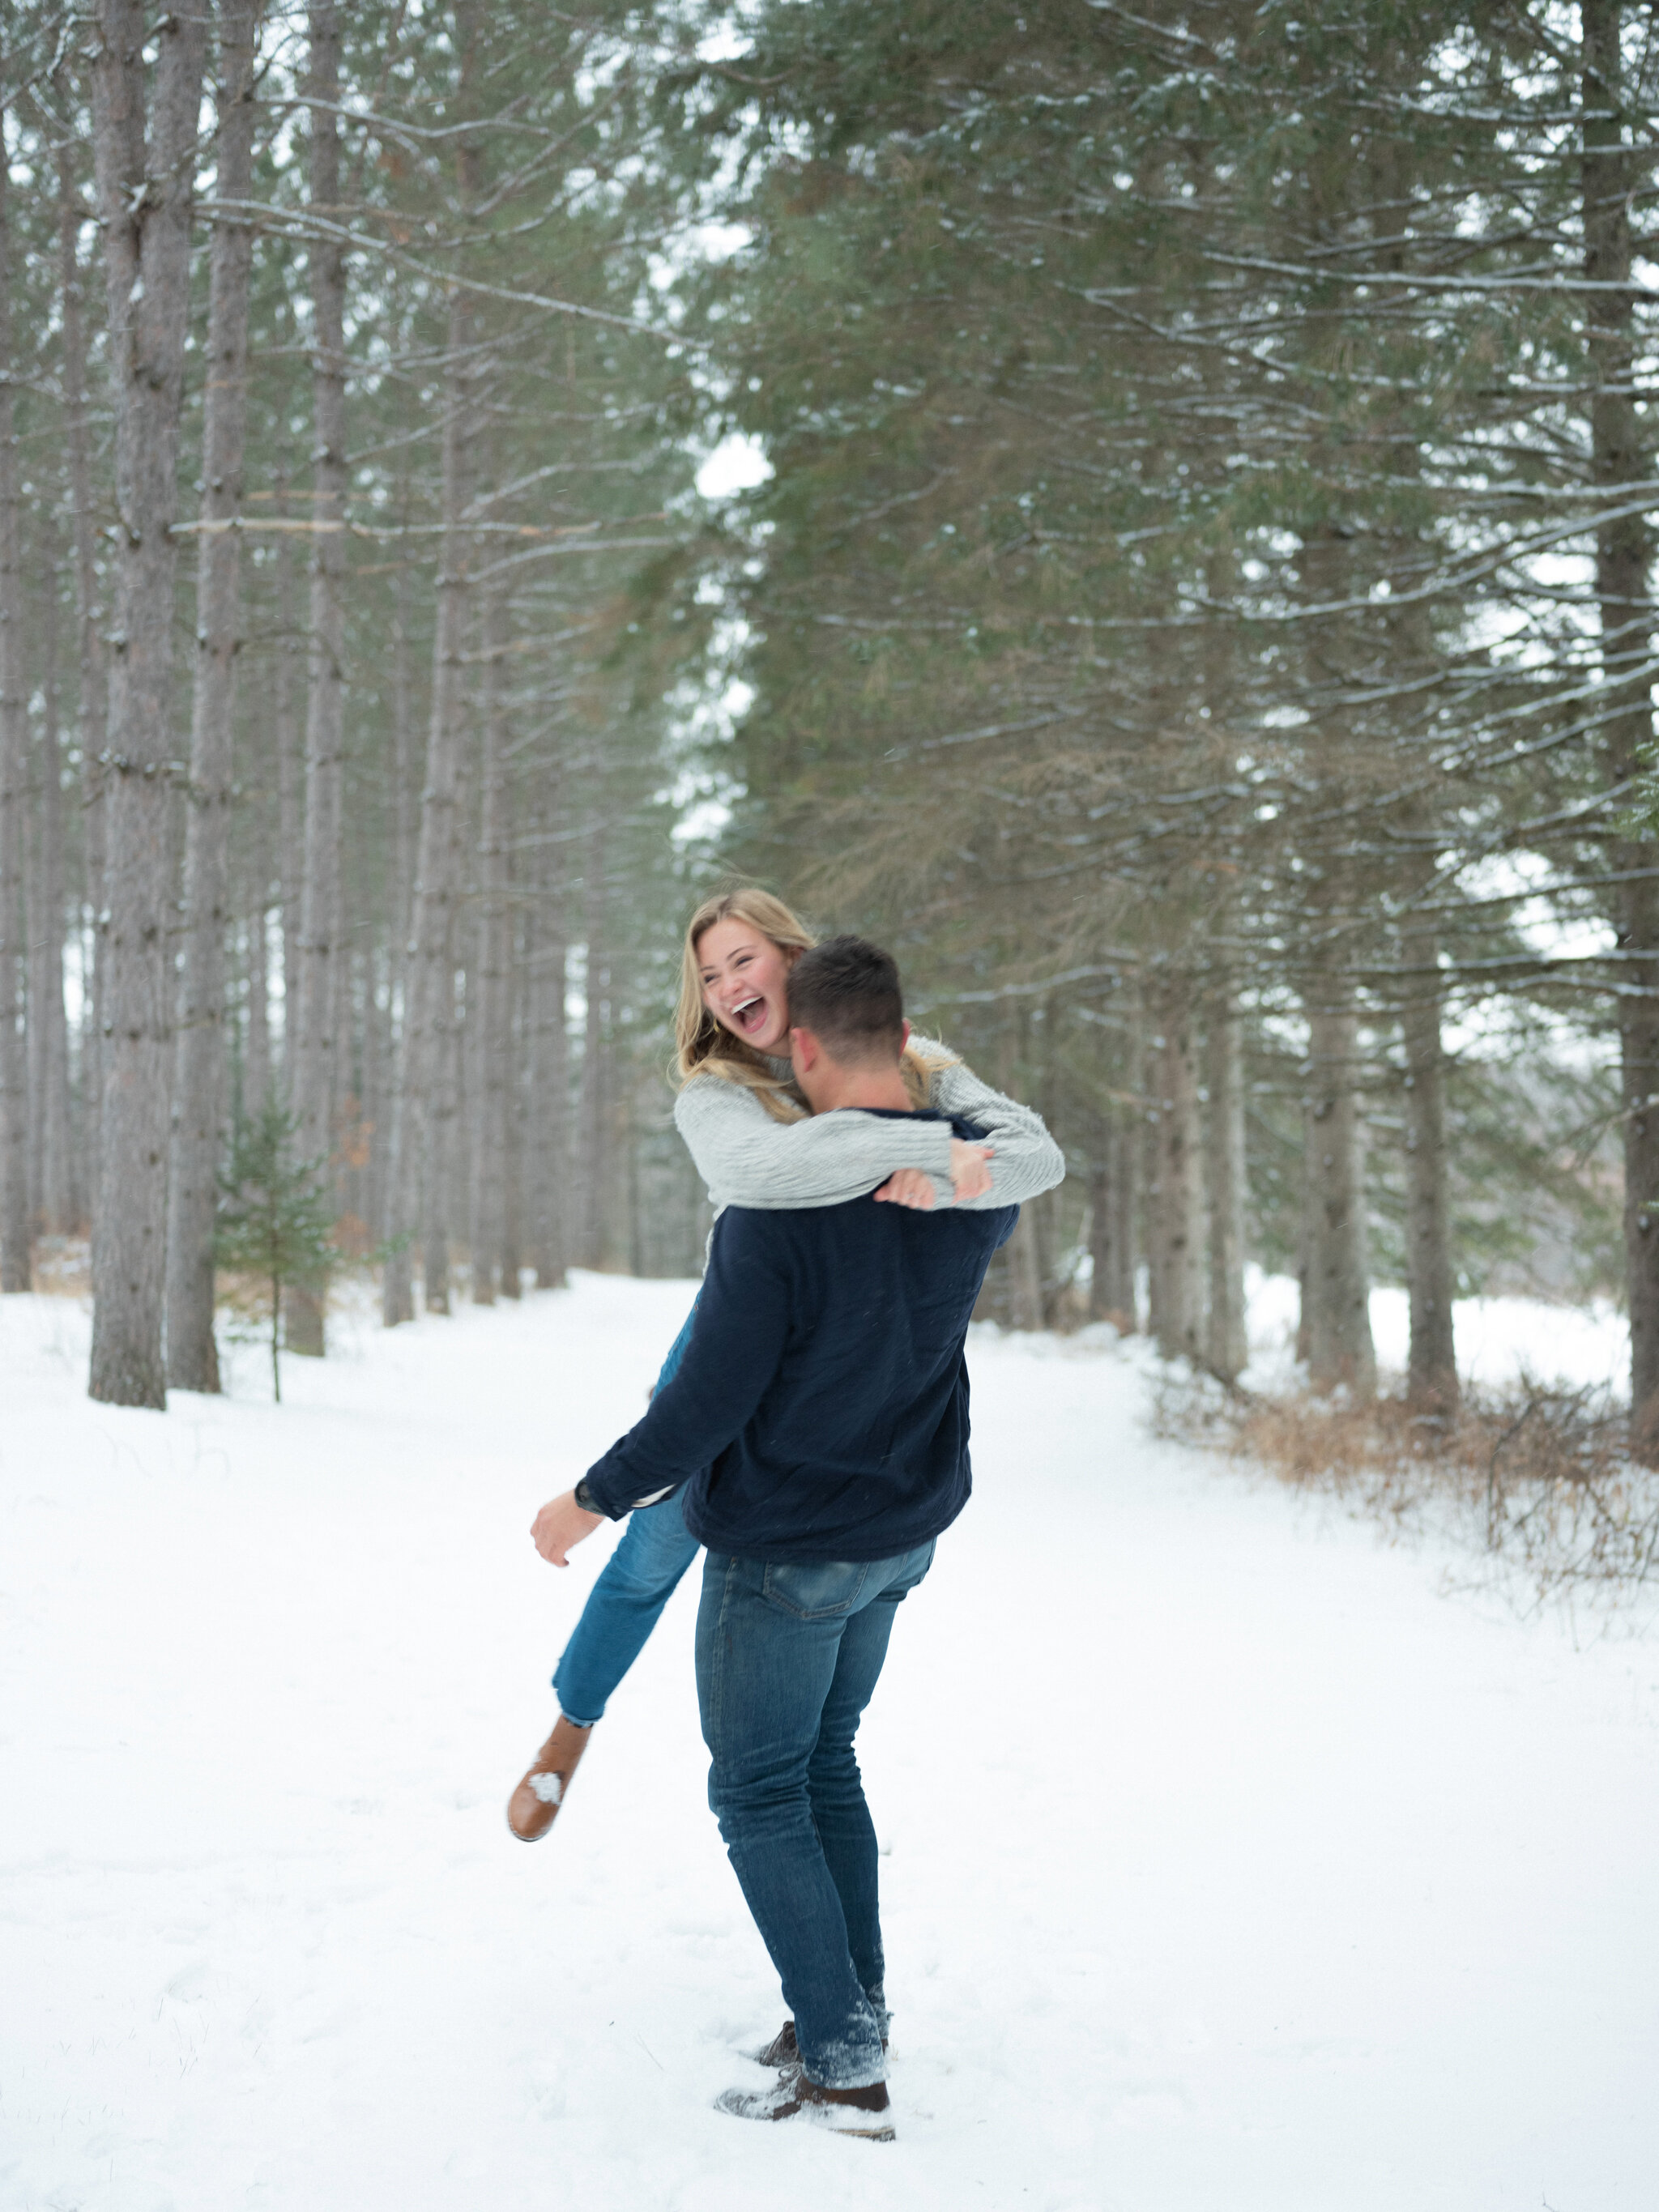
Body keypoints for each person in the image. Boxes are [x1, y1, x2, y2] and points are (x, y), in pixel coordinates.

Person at [530, 937, 1033, 2140]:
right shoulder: (976, 1177)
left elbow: (703, 1405)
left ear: (800, 1048)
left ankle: (848, 2070)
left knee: (759, 1789)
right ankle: (841, 2013)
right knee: (823, 1765)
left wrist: (588, 1499)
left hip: (790, 1549)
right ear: (904, 1039)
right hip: (895, 1539)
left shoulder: (777, 1211)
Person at [507, 887, 1064, 1841]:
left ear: (790, 958)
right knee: (653, 1551)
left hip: (857, 1342)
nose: (727, 987)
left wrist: (968, 1161)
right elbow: (761, 1175)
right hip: (741, 1329)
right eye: (709, 975)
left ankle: (807, 1776)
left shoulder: (912, 1055)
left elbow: (1036, 1154)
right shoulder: (717, 1092)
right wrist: (943, 1152)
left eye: (742, 960)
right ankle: (571, 1722)